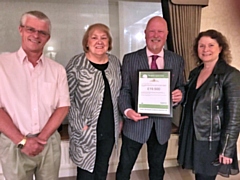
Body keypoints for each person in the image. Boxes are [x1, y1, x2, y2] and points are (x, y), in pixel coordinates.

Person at [0, 11, 70, 180]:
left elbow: (63, 106)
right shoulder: (2, 65)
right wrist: (22, 141)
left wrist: (41, 139)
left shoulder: (57, 69)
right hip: (13, 142)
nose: (36, 35)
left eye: (42, 32)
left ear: (48, 37)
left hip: (48, 143)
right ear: (21, 30)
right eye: (31, 29)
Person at [116, 16, 185, 180]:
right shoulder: (130, 59)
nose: (156, 35)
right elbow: (124, 90)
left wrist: (179, 95)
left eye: (160, 31)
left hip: (161, 126)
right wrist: (127, 111)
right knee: (124, 168)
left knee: (157, 169)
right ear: (145, 33)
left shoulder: (177, 60)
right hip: (135, 123)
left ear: (166, 34)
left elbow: (181, 86)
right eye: (152, 31)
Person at [177, 29, 240, 180]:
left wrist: (227, 148)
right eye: (201, 46)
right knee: (200, 176)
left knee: (205, 177)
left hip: (212, 139)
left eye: (211, 45)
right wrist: (180, 95)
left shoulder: (231, 75)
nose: (206, 50)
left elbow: (235, 115)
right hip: (193, 134)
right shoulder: (195, 73)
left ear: (220, 48)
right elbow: (192, 100)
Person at [66, 23, 122, 180]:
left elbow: (119, 93)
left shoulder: (115, 63)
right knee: (86, 173)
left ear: (109, 42)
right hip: (86, 130)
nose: (99, 41)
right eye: (94, 37)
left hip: (109, 128)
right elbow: (66, 98)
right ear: (87, 42)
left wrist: (120, 119)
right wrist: (79, 125)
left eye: (104, 38)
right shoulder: (76, 64)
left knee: (102, 170)